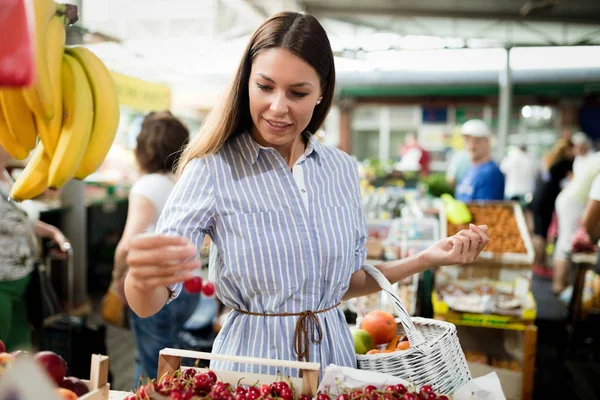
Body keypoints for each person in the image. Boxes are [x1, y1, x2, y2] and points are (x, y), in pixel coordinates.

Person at [123, 12, 489, 376]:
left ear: (320, 94)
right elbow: (148, 304)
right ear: (245, 83)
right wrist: (140, 280)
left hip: (334, 365)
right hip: (252, 370)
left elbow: (345, 284)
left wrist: (425, 258)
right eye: (264, 87)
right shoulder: (212, 170)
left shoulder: (340, 170)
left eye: (298, 93)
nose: (278, 107)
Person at [111, 111, 198, 386]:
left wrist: (116, 280)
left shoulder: (147, 185)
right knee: (171, 358)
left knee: (151, 369)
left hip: (156, 288)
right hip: (186, 288)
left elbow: (128, 244)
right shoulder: (184, 184)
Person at [0, 145, 69, 351]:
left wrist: (53, 233)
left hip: (22, 280)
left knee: (19, 353)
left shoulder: (6, 175)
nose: (15, 140)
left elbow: (21, 219)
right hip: (2, 284)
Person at [552, 152, 600, 294]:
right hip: (574, 202)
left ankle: (563, 285)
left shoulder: (595, 157)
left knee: (565, 241)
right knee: (566, 243)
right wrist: (593, 237)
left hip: (570, 199)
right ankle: (559, 285)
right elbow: (589, 220)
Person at [528, 139, 574, 277]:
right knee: (541, 233)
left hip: (539, 197)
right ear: (568, 149)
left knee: (538, 232)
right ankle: (539, 265)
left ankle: (536, 264)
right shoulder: (566, 162)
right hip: (546, 200)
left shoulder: (551, 158)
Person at [454, 119, 505, 202]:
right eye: (467, 140)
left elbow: (484, 212)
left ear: (488, 142)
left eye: (477, 141)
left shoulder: (490, 173)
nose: (471, 146)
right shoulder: (469, 170)